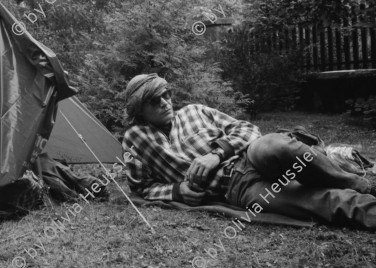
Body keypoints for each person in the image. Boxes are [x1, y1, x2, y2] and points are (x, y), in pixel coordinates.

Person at [121, 73, 376, 229]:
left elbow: (247, 129)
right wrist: (177, 191)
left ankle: (359, 183)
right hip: (236, 188)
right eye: (155, 100)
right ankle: (367, 209)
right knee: (315, 202)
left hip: (250, 155)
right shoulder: (135, 139)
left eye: (166, 94)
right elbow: (141, 187)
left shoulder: (194, 111)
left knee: (276, 146)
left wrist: (217, 153)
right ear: (139, 109)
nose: (165, 103)